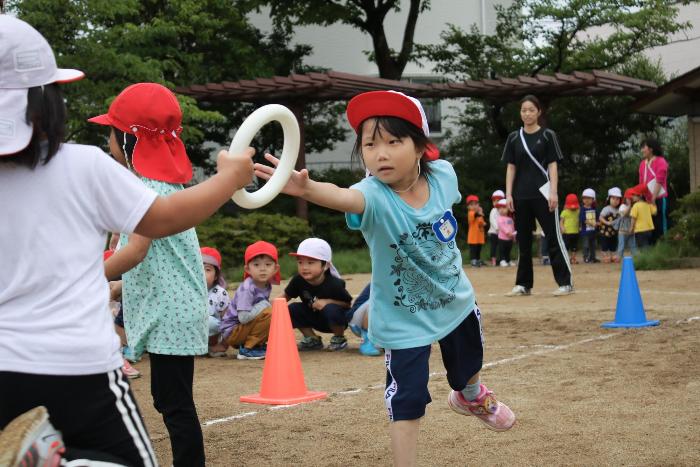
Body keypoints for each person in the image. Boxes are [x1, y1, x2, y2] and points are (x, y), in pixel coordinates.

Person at [0, 16, 253, 467]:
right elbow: (161, 221)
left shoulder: (123, 176)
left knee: (173, 404)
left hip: (7, 361)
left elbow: (135, 247)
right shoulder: (85, 167)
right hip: (78, 367)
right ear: (48, 103)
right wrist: (228, 178)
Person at [255, 90, 515, 466]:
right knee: (406, 398)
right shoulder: (372, 195)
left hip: (455, 301)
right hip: (402, 319)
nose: (381, 153)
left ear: (421, 146)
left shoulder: (444, 176)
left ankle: (470, 395)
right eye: (370, 144)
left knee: (467, 367)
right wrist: (307, 188)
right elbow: (343, 196)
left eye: (394, 141)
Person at [95, 82, 252, 467]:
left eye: (112, 133)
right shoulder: (164, 184)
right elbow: (143, 261)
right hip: (173, 309)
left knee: (175, 404)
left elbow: (135, 252)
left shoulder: (139, 188)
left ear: (129, 139)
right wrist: (109, 285)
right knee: (171, 400)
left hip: (171, 313)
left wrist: (82, 277)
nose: (108, 141)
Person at [502, 94, 572, 296]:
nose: (527, 113)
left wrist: (554, 192)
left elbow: (553, 165)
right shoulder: (514, 138)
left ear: (539, 112)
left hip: (544, 194)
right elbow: (511, 167)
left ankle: (565, 282)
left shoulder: (548, 135)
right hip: (521, 195)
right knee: (523, 241)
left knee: (553, 238)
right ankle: (523, 284)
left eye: (531, 110)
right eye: (524, 110)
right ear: (520, 113)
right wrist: (508, 194)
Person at [282, 238, 353, 351]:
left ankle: (339, 338)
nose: (304, 267)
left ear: (325, 265)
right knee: (292, 308)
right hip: (313, 317)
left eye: (310, 262)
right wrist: (268, 309)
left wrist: (328, 302)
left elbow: (347, 304)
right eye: (300, 262)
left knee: (330, 308)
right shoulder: (298, 280)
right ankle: (312, 339)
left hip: (336, 320)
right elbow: (283, 298)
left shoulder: (334, 283)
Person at [219, 241, 280, 360]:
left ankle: (256, 345)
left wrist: (265, 307)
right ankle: (248, 349)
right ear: (247, 269)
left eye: (268, 265)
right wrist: (264, 305)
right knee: (269, 312)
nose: (262, 269)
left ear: (275, 268)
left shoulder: (266, 285)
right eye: (256, 265)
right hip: (233, 331)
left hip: (243, 328)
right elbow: (243, 317)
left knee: (273, 312)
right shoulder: (247, 288)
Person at [201, 247, 231, 357]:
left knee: (209, 321)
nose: (202, 273)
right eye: (198, 268)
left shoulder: (220, 293)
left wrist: (224, 344)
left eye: (207, 270)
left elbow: (228, 320)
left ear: (216, 275)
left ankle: (211, 346)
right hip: (190, 334)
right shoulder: (187, 291)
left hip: (212, 332)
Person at [639, 138, 669, 244]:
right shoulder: (643, 164)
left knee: (660, 223)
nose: (642, 150)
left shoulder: (661, 161)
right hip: (647, 200)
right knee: (650, 225)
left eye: (644, 147)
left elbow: (659, 180)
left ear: (651, 149)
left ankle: (664, 247)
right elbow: (641, 183)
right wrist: (641, 197)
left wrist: (654, 197)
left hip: (660, 198)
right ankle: (652, 248)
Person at [347, 283, 382, 356]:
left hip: (382, 324)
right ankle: (367, 341)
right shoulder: (381, 279)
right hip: (358, 321)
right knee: (375, 301)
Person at [629, 183, 657, 249]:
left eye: (633, 195)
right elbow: (655, 213)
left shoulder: (635, 206)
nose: (632, 196)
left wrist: (631, 229)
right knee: (647, 246)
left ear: (640, 195)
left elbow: (633, 218)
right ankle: (649, 257)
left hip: (640, 231)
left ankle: (645, 258)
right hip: (649, 230)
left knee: (642, 248)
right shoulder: (647, 205)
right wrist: (653, 202)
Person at [599, 187, 622, 263]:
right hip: (605, 231)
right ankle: (605, 256)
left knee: (613, 243)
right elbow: (600, 217)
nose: (615, 201)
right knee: (605, 244)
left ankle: (613, 256)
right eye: (613, 198)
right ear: (609, 199)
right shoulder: (606, 208)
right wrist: (606, 222)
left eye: (617, 199)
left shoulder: (619, 210)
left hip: (614, 231)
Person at [615, 189, 638, 257]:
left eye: (631, 199)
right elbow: (624, 214)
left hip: (631, 230)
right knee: (621, 245)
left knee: (633, 245)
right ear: (625, 199)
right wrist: (629, 206)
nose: (629, 200)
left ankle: (636, 257)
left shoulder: (635, 207)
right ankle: (619, 257)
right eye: (628, 199)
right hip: (622, 230)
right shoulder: (622, 206)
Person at [579, 188, 599, 263]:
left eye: (589, 198)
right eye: (584, 198)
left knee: (593, 245)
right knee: (586, 245)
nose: (586, 200)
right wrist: (592, 223)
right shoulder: (582, 209)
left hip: (593, 231)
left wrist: (598, 223)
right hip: (585, 232)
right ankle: (586, 257)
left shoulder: (595, 209)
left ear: (593, 199)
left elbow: (598, 218)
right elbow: (583, 219)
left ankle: (593, 257)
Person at [560, 193, 581, 264]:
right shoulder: (564, 212)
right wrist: (562, 228)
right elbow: (561, 221)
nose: (573, 208)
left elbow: (580, 210)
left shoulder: (577, 211)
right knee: (566, 246)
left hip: (575, 232)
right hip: (566, 233)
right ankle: (565, 258)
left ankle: (573, 258)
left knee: (574, 247)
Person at [466, 194, 486, 267]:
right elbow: (475, 215)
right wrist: (480, 212)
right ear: (468, 206)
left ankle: (478, 260)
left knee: (478, 249)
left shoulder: (478, 214)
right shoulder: (471, 213)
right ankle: (473, 260)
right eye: (471, 204)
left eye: (476, 204)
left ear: (479, 205)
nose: (474, 206)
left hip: (479, 236)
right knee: (473, 250)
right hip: (473, 237)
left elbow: (481, 222)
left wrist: (483, 222)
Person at [496, 198, 516, 267]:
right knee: (502, 250)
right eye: (500, 208)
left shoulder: (510, 219)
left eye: (504, 207)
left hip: (510, 238)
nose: (501, 209)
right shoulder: (499, 218)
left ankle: (508, 260)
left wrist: (513, 236)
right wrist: (508, 232)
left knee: (508, 250)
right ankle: (502, 260)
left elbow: (512, 227)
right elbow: (502, 226)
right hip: (502, 238)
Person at [487, 190, 505, 266]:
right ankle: (493, 259)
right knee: (493, 246)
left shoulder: (502, 210)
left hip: (502, 233)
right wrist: (498, 228)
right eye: (494, 201)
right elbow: (492, 220)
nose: (495, 203)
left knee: (501, 246)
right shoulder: (493, 210)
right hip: (494, 232)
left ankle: (501, 259)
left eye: (498, 201)